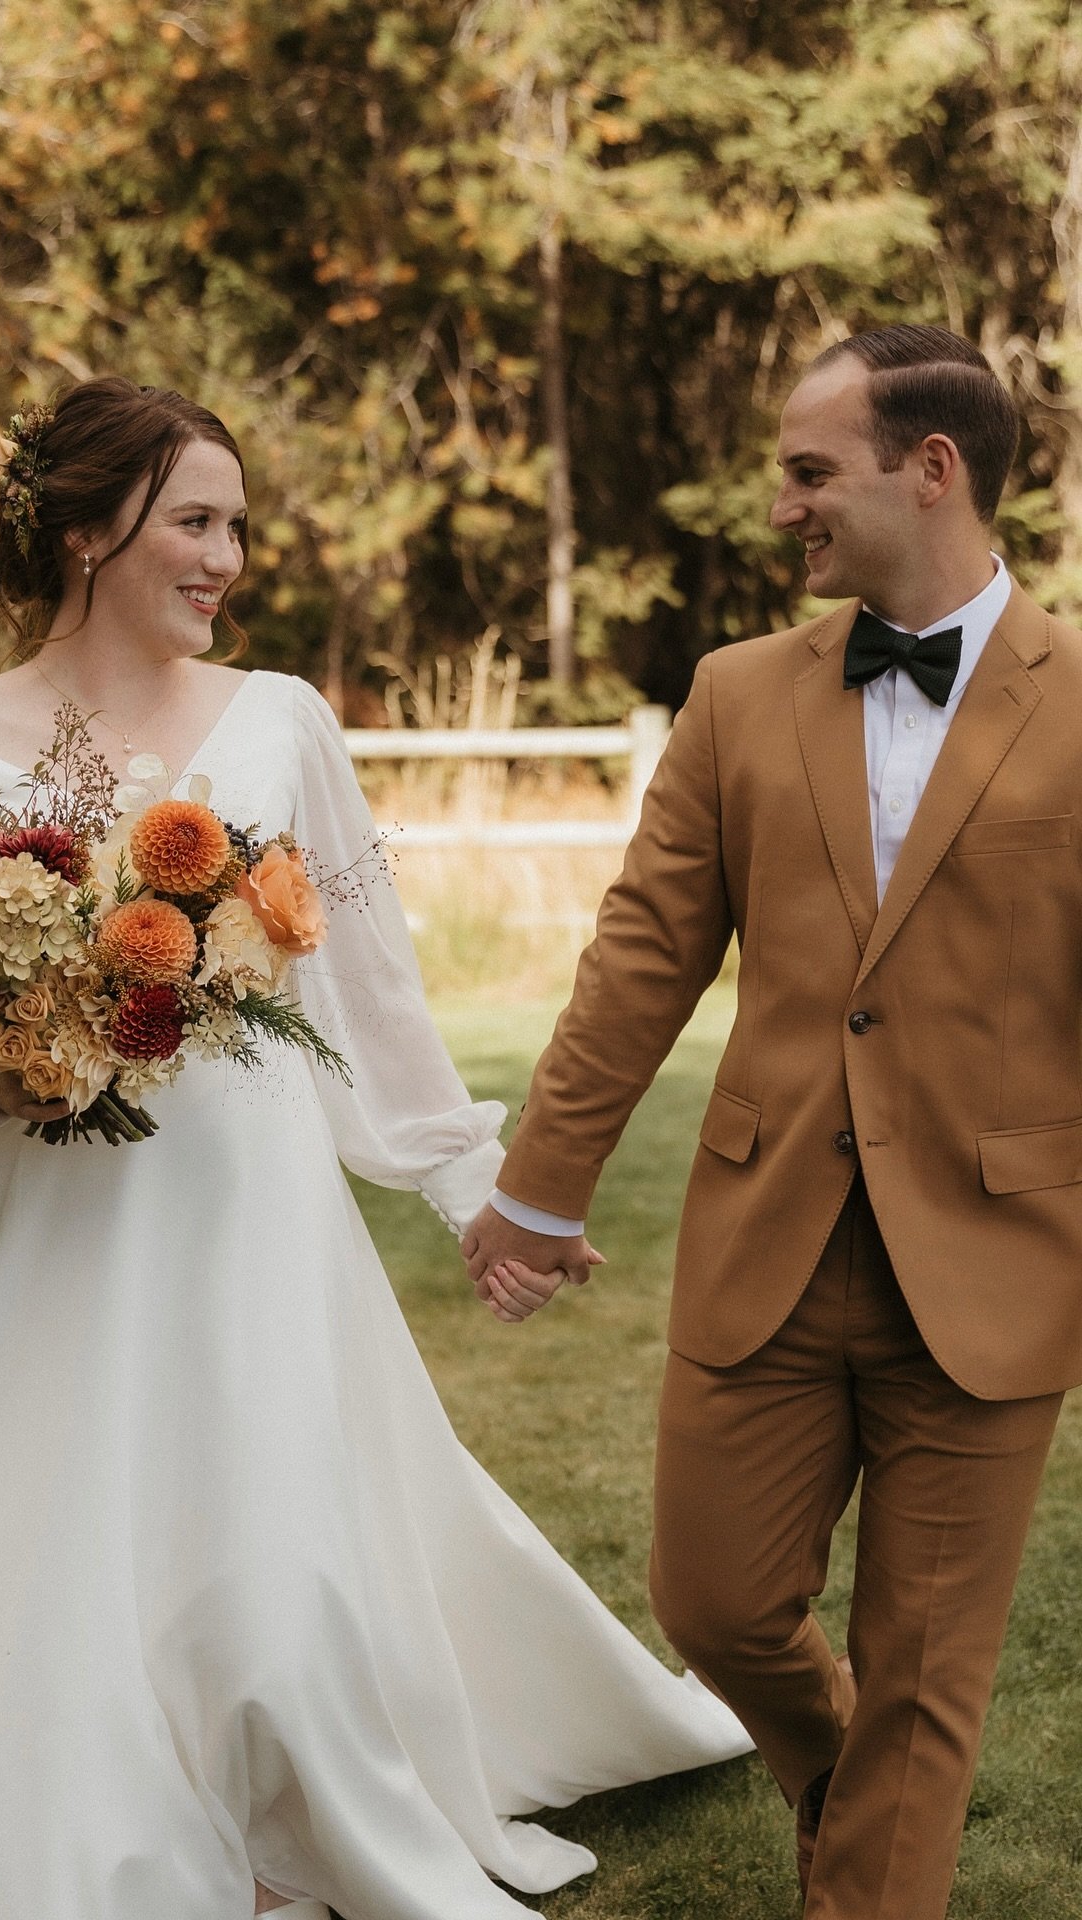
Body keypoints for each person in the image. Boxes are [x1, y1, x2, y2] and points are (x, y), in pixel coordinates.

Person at [0, 375, 748, 1920]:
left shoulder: (282, 721)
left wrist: (476, 1191)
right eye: (195, 521)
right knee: (59, 1512)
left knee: (271, 1520)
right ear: (88, 530)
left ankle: (293, 1782)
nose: (227, 558)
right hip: (46, 1220)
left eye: (236, 525)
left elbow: (369, 989)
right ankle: (84, 1795)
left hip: (251, 1198)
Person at [463, 324, 1079, 1919]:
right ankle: (844, 1779)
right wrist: (540, 1187)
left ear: (929, 469)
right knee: (715, 1601)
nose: (784, 504)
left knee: (928, 1676)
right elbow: (641, 959)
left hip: (1001, 1258)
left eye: (811, 471)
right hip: (770, 1237)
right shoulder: (737, 695)